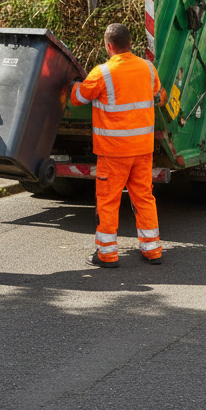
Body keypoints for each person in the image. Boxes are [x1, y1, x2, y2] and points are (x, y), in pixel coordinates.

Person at [70, 24, 166, 268]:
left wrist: (73, 84)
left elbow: (78, 99)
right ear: (130, 43)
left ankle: (107, 254)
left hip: (113, 152)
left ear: (108, 46)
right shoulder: (148, 68)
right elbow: (159, 94)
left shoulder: (102, 73)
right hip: (142, 149)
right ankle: (152, 250)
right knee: (144, 197)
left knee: (108, 200)